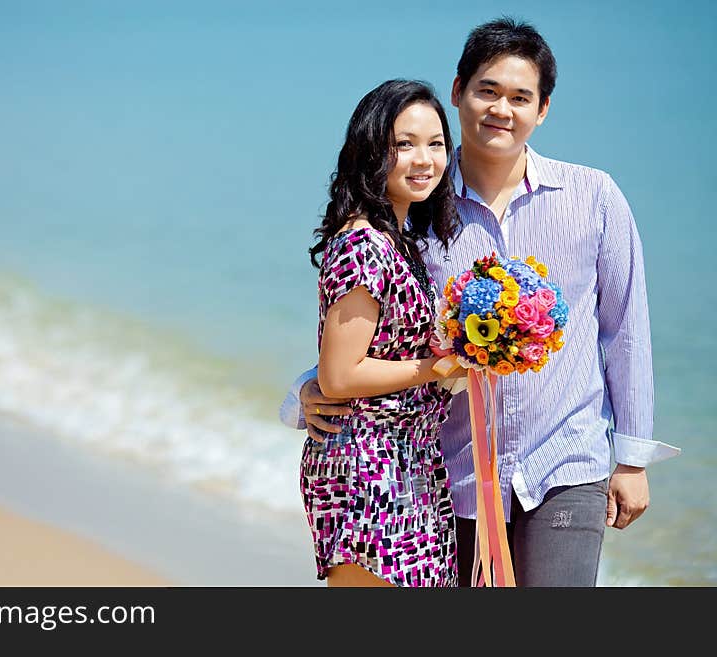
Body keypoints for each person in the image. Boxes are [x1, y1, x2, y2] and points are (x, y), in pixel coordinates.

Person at [282, 18, 680, 587]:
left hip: (566, 462)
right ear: (458, 91)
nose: (502, 109)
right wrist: (307, 389)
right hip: (449, 475)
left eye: (521, 97)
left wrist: (633, 459)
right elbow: (379, 327)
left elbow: (625, 328)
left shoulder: (595, 197)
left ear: (542, 110)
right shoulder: (416, 210)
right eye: (487, 91)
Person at [301, 79, 461, 587]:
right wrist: (435, 369)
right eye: (404, 144)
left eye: (435, 144)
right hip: (366, 462)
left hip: (408, 457)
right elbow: (340, 375)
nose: (424, 160)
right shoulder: (363, 242)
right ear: (373, 151)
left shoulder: (400, 239)